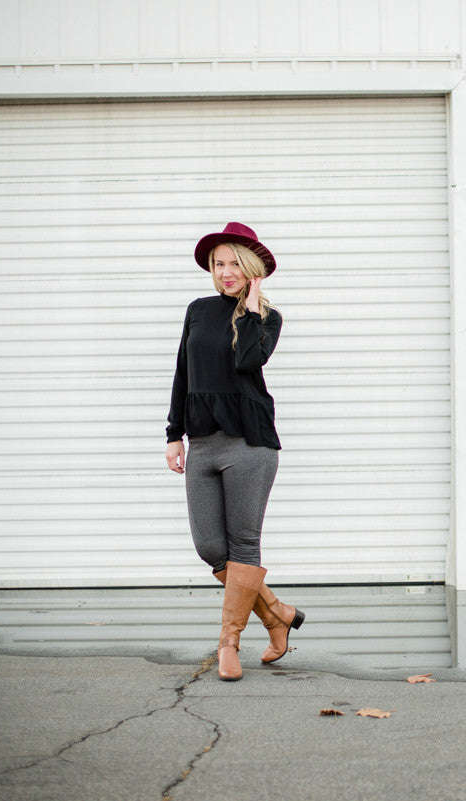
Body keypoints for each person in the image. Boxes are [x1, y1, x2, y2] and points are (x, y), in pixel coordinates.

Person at [164, 221, 304, 681]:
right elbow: (183, 371)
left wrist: (250, 306)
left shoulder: (267, 318)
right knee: (210, 548)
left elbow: (248, 360)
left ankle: (229, 644)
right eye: (218, 264)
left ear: (251, 270)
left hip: (250, 442)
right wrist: (173, 434)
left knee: (244, 546)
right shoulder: (197, 310)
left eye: (234, 265)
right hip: (203, 442)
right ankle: (276, 613)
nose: (225, 272)